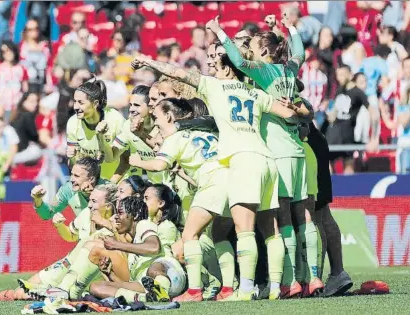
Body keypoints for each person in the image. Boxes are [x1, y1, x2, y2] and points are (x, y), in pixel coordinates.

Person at [131, 40, 300, 300]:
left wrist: (147, 60)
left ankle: (243, 290)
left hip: (242, 161)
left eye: (218, 64)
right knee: (271, 230)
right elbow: (291, 113)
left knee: (244, 230)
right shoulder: (255, 92)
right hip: (267, 159)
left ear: (227, 68)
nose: (214, 68)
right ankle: (277, 287)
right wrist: (297, 105)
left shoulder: (215, 86)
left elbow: (177, 72)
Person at [213, 15, 323, 297]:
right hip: (298, 151)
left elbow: (238, 62)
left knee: (283, 220)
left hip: (277, 152)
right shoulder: (289, 70)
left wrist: (220, 32)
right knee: (306, 218)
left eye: (252, 45)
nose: (248, 49)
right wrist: (291, 28)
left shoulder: (264, 72)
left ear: (263, 51)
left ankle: (289, 281)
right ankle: (312, 276)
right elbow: (298, 51)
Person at [125, 98, 229, 302]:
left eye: (156, 118)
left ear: (170, 116)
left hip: (212, 183)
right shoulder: (205, 132)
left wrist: (139, 161)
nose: (155, 123)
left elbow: (158, 165)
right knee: (223, 237)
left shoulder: (175, 138)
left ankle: (195, 291)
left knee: (189, 236)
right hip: (229, 179)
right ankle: (231, 287)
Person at [0, 183, 119, 301]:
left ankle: (61, 291)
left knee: (22, 294)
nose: (89, 205)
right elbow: (71, 236)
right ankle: (51, 291)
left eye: (94, 201)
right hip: (65, 266)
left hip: (85, 277)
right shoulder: (86, 214)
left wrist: (106, 224)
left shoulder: (116, 226)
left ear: (108, 206)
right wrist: (59, 225)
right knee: (19, 291)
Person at [47, 197, 160, 301]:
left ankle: (65, 289)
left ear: (134, 215)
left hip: (153, 282)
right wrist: (110, 274)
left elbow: (154, 247)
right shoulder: (132, 234)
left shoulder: (143, 224)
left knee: (95, 247)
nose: (116, 217)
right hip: (139, 284)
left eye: (120, 213)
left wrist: (116, 244)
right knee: (95, 287)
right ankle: (145, 298)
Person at [307, 120, 353, 297]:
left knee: (316, 215)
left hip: (303, 144)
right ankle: (337, 272)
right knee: (323, 213)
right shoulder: (295, 95)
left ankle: (315, 280)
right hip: (315, 138)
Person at [66, 79, 125, 182]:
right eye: (75, 101)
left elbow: (124, 159)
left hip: (118, 181)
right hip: (91, 184)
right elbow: (74, 165)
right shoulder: (72, 122)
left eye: (81, 102)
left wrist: (111, 184)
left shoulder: (116, 119)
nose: (75, 107)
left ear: (95, 103)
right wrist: (72, 158)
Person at [31, 157, 104, 219]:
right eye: (71, 174)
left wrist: (93, 194)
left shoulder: (107, 190)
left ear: (91, 179)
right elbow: (47, 214)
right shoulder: (68, 190)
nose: (71, 179)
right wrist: (38, 199)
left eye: (76, 176)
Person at [19, 18, 50, 86]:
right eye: (30, 29)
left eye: (36, 28)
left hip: (43, 82)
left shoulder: (45, 45)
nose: (34, 31)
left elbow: (49, 66)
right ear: (26, 31)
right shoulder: (22, 47)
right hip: (27, 83)